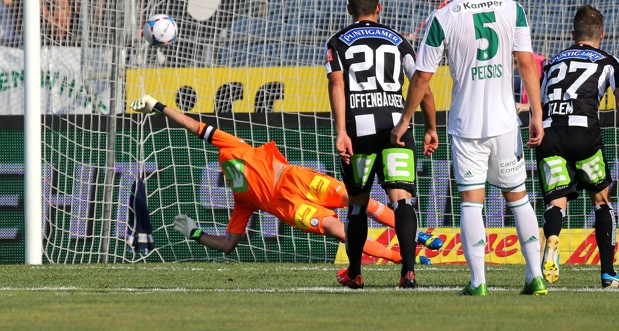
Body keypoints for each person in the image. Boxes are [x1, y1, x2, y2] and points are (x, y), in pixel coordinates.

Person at [391, 0, 547, 296]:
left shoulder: (443, 16)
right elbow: (526, 65)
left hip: (466, 125)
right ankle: (534, 276)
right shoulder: (513, 9)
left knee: (471, 202)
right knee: (518, 197)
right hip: (506, 122)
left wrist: (406, 121)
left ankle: (478, 282)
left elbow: (422, 77)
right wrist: (536, 113)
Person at [129, 95, 440, 264]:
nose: (230, 173)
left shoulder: (233, 150)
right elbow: (228, 245)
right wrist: (196, 233)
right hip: (289, 206)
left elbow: (193, 126)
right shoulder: (242, 198)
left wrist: (158, 106)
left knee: (360, 201)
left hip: (298, 181)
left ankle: (418, 238)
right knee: (341, 228)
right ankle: (401, 258)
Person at [325, 0, 435, 289]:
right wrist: (430, 127)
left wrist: (342, 132)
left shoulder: (338, 42)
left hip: (359, 132)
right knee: (402, 200)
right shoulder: (399, 41)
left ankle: (356, 272)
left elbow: (337, 85)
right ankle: (409, 272)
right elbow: (421, 84)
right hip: (395, 130)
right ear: (379, 8)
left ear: (349, 10)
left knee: (358, 204)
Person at [537, 5, 619, 289]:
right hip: (584, 134)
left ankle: (552, 241)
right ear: (601, 34)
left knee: (557, 202)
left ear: (572, 33)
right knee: (602, 201)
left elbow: (541, 100)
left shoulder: (552, 62)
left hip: (550, 133)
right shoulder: (608, 61)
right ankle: (607, 273)